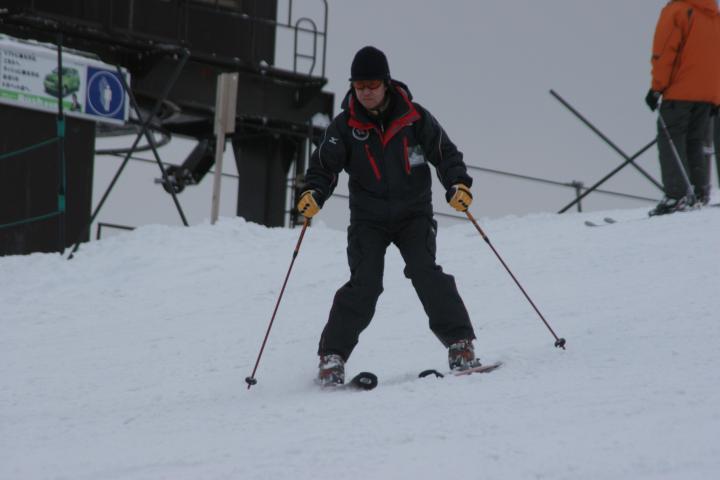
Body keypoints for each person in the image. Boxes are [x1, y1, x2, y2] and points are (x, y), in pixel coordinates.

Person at [296, 46, 479, 386]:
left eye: (372, 85)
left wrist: (457, 184)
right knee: (364, 284)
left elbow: (445, 153)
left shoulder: (415, 118)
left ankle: (460, 344)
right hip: (369, 220)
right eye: (359, 86)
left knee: (426, 272)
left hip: (414, 215)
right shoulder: (345, 127)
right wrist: (313, 193)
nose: (365, 92)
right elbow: (323, 167)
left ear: (386, 83)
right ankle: (332, 357)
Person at [645, 0, 720, 215]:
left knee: (671, 139)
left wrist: (657, 88)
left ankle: (676, 195)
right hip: (707, 93)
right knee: (695, 140)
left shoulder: (677, 11)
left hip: (679, 90)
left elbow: (664, 51)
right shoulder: (713, 16)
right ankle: (699, 191)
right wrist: (716, 96)